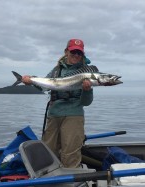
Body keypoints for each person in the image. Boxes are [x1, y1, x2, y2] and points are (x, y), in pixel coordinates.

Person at [22, 39, 93, 168]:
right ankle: (49, 180)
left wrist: (88, 90)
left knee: (70, 153)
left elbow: (86, 102)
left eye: (79, 53)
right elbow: (45, 86)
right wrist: (31, 80)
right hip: (54, 114)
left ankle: (70, 181)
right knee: (48, 150)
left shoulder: (86, 72)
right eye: (73, 52)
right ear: (66, 51)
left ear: (82, 54)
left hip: (74, 115)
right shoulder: (56, 70)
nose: (76, 55)